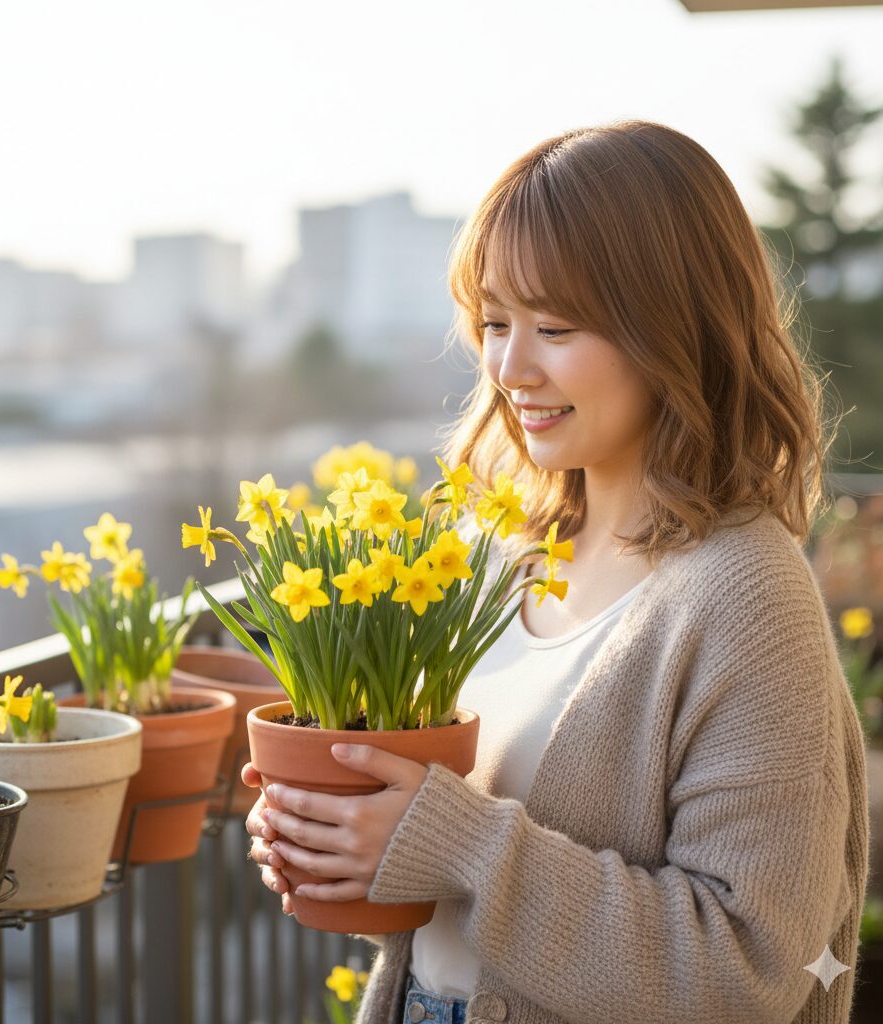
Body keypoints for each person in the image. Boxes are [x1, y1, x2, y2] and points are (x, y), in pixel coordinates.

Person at [242, 119, 870, 1024]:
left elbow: (750, 971)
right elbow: (455, 911)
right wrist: (344, 843)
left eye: (555, 326)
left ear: (674, 328)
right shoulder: (496, 554)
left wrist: (455, 845)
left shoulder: (744, 598)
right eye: (495, 322)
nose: (509, 367)